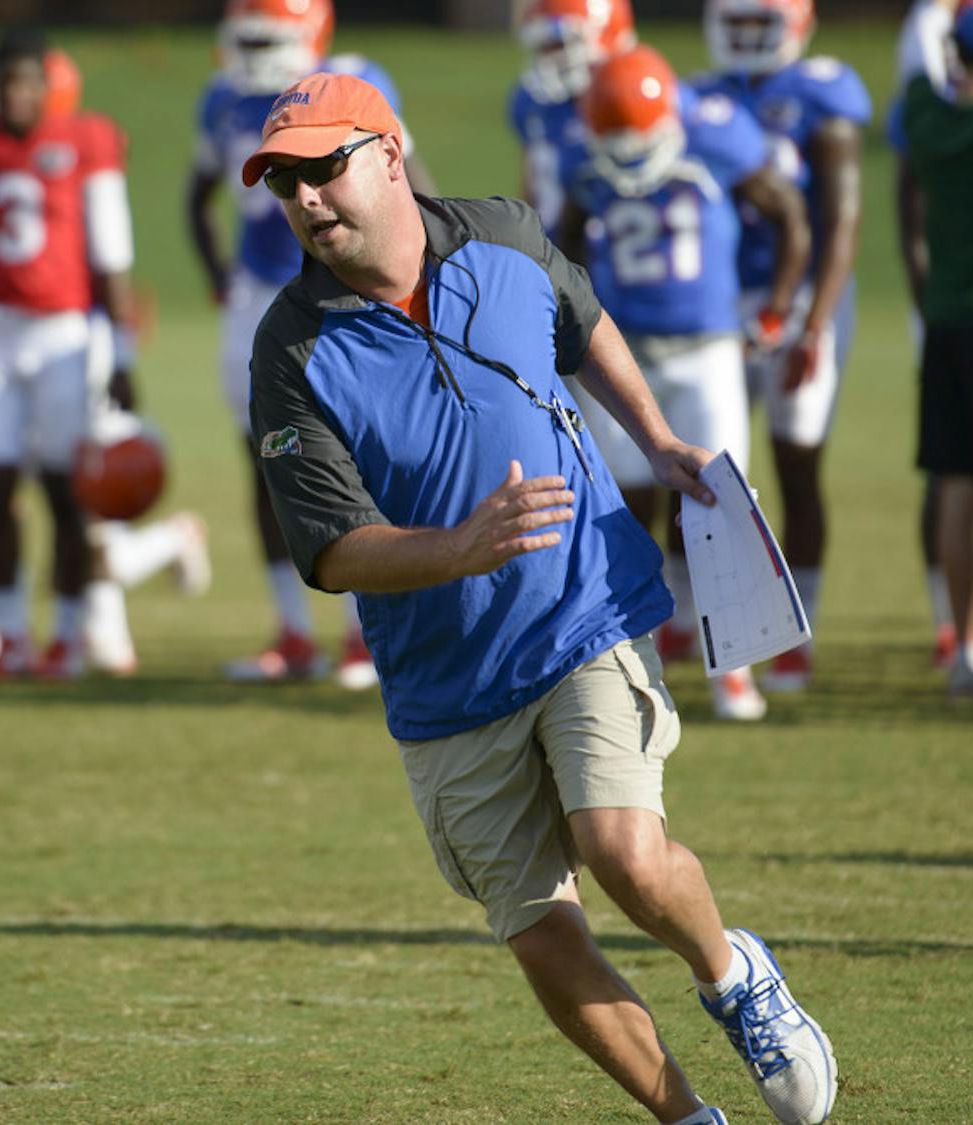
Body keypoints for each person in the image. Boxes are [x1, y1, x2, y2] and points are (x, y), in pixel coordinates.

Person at [246, 71, 836, 1124]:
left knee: (621, 849)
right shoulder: (290, 348)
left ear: (387, 154)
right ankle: (689, 1119)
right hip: (444, 681)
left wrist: (655, 437)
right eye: (284, 183)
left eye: (321, 170)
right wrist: (459, 548)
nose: (305, 201)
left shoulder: (504, 235)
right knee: (540, 930)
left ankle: (731, 975)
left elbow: (588, 322)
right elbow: (332, 552)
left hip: (583, 614)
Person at [557, 46, 811, 720]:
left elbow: (789, 213)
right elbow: (564, 245)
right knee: (621, 501)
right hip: (621, 355)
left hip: (706, 348)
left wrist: (778, 303)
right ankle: (634, 644)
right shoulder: (580, 157)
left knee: (717, 493)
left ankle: (735, 666)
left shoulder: (717, 134)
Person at [188, 0, 433, 689]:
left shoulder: (350, 82)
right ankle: (293, 630)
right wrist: (219, 280)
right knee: (266, 460)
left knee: (362, 456)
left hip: (343, 291)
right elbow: (196, 193)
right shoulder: (225, 99)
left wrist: (426, 269)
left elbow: (409, 180)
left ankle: (367, 634)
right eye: (249, 37)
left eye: (271, 36)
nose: (256, 51)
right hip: (260, 292)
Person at [0, 26, 137, 679]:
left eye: (29, 82)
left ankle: (68, 634)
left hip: (63, 333)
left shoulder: (83, 143)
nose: (18, 95)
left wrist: (122, 351)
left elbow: (111, 259)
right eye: (8, 82)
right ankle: (11, 631)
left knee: (64, 488)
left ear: (48, 88)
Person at [692, 0, 871, 692]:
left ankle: (801, 627)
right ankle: (692, 616)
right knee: (707, 465)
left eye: (757, 25)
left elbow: (842, 220)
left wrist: (814, 322)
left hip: (801, 297)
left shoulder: (820, 92)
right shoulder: (702, 97)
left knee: (797, 458)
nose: (742, 38)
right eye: (734, 23)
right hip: (725, 297)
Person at [890, 0, 968, 670]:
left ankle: (963, 641)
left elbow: (919, 45)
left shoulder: (928, 120)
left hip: (947, 320)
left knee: (955, 482)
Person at [508, 0, 636, 239]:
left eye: (560, 44)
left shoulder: (635, 104)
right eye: (544, 47)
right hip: (551, 255)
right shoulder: (533, 102)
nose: (549, 59)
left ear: (605, 34)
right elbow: (530, 189)